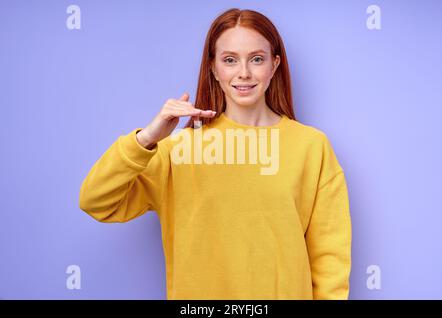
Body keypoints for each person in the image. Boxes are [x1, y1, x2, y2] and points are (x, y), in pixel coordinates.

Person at [79, 8, 352, 300]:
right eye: (230, 60)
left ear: (274, 65)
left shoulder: (312, 147)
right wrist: (146, 139)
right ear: (213, 68)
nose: (243, 72)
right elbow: (96, 201)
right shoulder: (178, 150)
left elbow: (330, 259)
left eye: (256, 59)